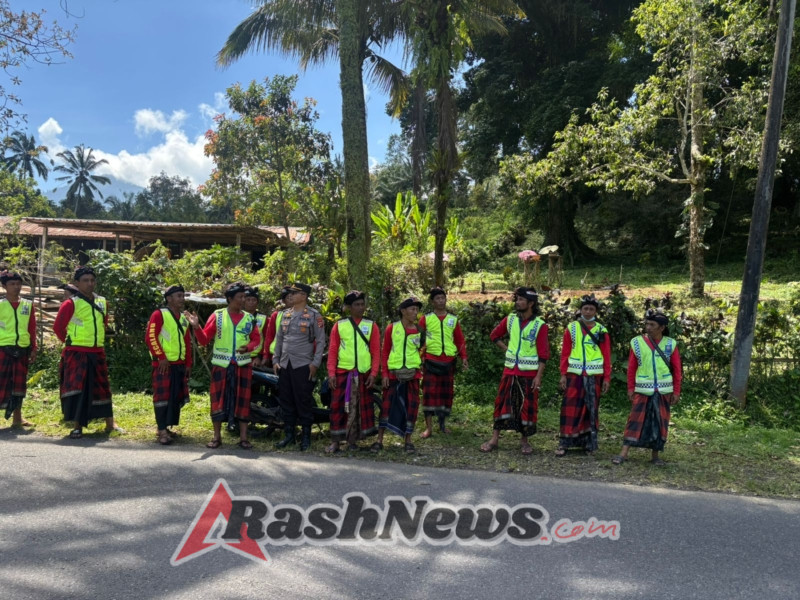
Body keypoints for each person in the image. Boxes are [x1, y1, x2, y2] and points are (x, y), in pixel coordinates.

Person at [53, 265, 122, 439]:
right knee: (79, 390)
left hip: (97, 351)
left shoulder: (102, 302)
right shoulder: (71, 303)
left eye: (92, 280)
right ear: (77, 283)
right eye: (85, 280)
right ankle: (78, 426)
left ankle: (110, 423)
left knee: (103, 387)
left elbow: (103, 324)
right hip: (76, 353)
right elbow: (58, 327)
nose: (90, 284)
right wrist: (70, 342)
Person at [480, 287, 549, 456]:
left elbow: (543, 355)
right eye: (517, 299)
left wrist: (538, 377)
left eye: (521, 299)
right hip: (510, 371)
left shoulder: (540, 325)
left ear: (531, 303)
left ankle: (524, 441)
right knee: (501, 403)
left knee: (527, 407)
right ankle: (494, 439)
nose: (517, 302)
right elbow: (494, 335)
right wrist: (507, 349)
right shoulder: (510, 319)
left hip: (529, 373)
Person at [612, 309, 682, 466]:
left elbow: (677, 370)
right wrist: (631, 388)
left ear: (662, 327)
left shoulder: (670, 344)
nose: (648, 327)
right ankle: (624, 453)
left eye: (652, 324)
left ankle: (655, 455)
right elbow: (631, 368)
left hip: (664, 390)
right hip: (643, 389)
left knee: (660, 422)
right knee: (634, 421)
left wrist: (676, 391)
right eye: (647, 324)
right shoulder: (637, 343)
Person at [197, 281, 260, 450]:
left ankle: (244, 438)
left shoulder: (249, 318)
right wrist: (196, 327)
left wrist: (248, 347)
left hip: (243, 365)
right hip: (221, 365)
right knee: (217, 400)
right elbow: (203, 340)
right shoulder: (217, 316)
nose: (243, 300)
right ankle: (217, 437)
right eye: (240, 297)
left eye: (244, 297)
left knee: (243, 401)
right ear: (230, 298)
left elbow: (256, 339)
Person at [145, 285, 202, 445]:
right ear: (169, 298)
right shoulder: (159, 314)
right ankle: (161, 430)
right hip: (163, 364)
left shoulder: (184, 318)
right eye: (179, 296)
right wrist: (161, 357)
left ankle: (166, 427)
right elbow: (150, 337)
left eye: (183, 296)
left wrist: (188, 363)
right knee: (162, 397)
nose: (182, 299)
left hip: (179, 364)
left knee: (174, 397)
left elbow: (186, 343)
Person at [272, 282, 326, 451]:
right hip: (285, 364)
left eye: (295, 293)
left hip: (303, 364)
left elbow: (321, 340)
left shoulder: (314, 315)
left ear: (303, 296)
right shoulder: (285, 314)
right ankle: (289, 434)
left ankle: (306, 436)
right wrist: (275, 359)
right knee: (286, 399)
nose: (291, 296)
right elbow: (279, 338)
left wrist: (315, 363)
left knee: (303, 401)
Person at [326, 290, 380, 454]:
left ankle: (353, 441)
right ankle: (336, 442)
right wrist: (331, 373)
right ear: (349, 307)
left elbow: (376, 351)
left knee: (358, 410)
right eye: (356, 305)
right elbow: (333, 350)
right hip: (343, 373)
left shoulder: (371, 325)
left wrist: (373, 373)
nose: (360, 307)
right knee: (338, 408)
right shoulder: (340, 325)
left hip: (363, 374)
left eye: (362, 304)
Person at [557, 294, 611, 456]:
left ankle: (588, 444)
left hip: (594, 376)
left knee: (591, 409)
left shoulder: (601, 330)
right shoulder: (571, 328)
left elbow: (606, 355)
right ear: (580, 310)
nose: (588, 311)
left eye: (591, 309)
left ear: (596, 311)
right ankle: (564, 443)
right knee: (569, 408)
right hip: (574, 375)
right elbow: (565, 352)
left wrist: (607, 377)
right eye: (585, 308)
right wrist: (563, 374)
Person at [373, 296, 424, 454]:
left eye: (417, 309)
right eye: (412, 309)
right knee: (387, 407)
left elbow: (423, 351)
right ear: (403, 311)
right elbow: (385, 351)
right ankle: (379, 440)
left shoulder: (419, 331)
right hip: (394, 375)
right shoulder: (392, 328)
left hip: (412, 376)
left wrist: (419, 366)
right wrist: (385, 374)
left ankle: (408, 441)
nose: (415, 312)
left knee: (411, 408)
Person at [419, 287, 468, 438]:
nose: (441, 301)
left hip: (448, 362)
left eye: (443, 298)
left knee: (445, 395)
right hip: (431, 361)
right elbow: (418, 339)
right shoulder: (426, 319)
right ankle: (429, 428)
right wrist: (419, 358)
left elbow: (459, 340)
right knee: (429, 394)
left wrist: (464, 358)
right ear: (432, 302)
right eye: (437, 299)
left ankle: (442, 424)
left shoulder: (453, 320)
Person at [0, 270, 36, 427]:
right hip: (2, 349)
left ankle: (17, 418)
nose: (16, 287)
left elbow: (32, 328)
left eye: (18, 284)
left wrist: (33, 347)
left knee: (19, 386)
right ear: (4, 286)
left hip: (22, 349)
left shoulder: (27, 305)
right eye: (12, 284)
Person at [261, 285, 294, 368]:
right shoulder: (276, 315)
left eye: (294, 297)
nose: (292, 300)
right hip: (277, 355)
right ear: (283, 301)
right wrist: (266, 356)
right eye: (289, 298)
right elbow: (269, 336)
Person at [244, 286, 268, 369]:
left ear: (257, 302)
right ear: (244, 301)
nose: (251, 302)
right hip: (238, 355)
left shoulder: (264, 318)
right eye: (248, 300)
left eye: (254, 300)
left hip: (255, 357)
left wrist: (260, 357)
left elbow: (266, 339)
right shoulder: (238, 316)